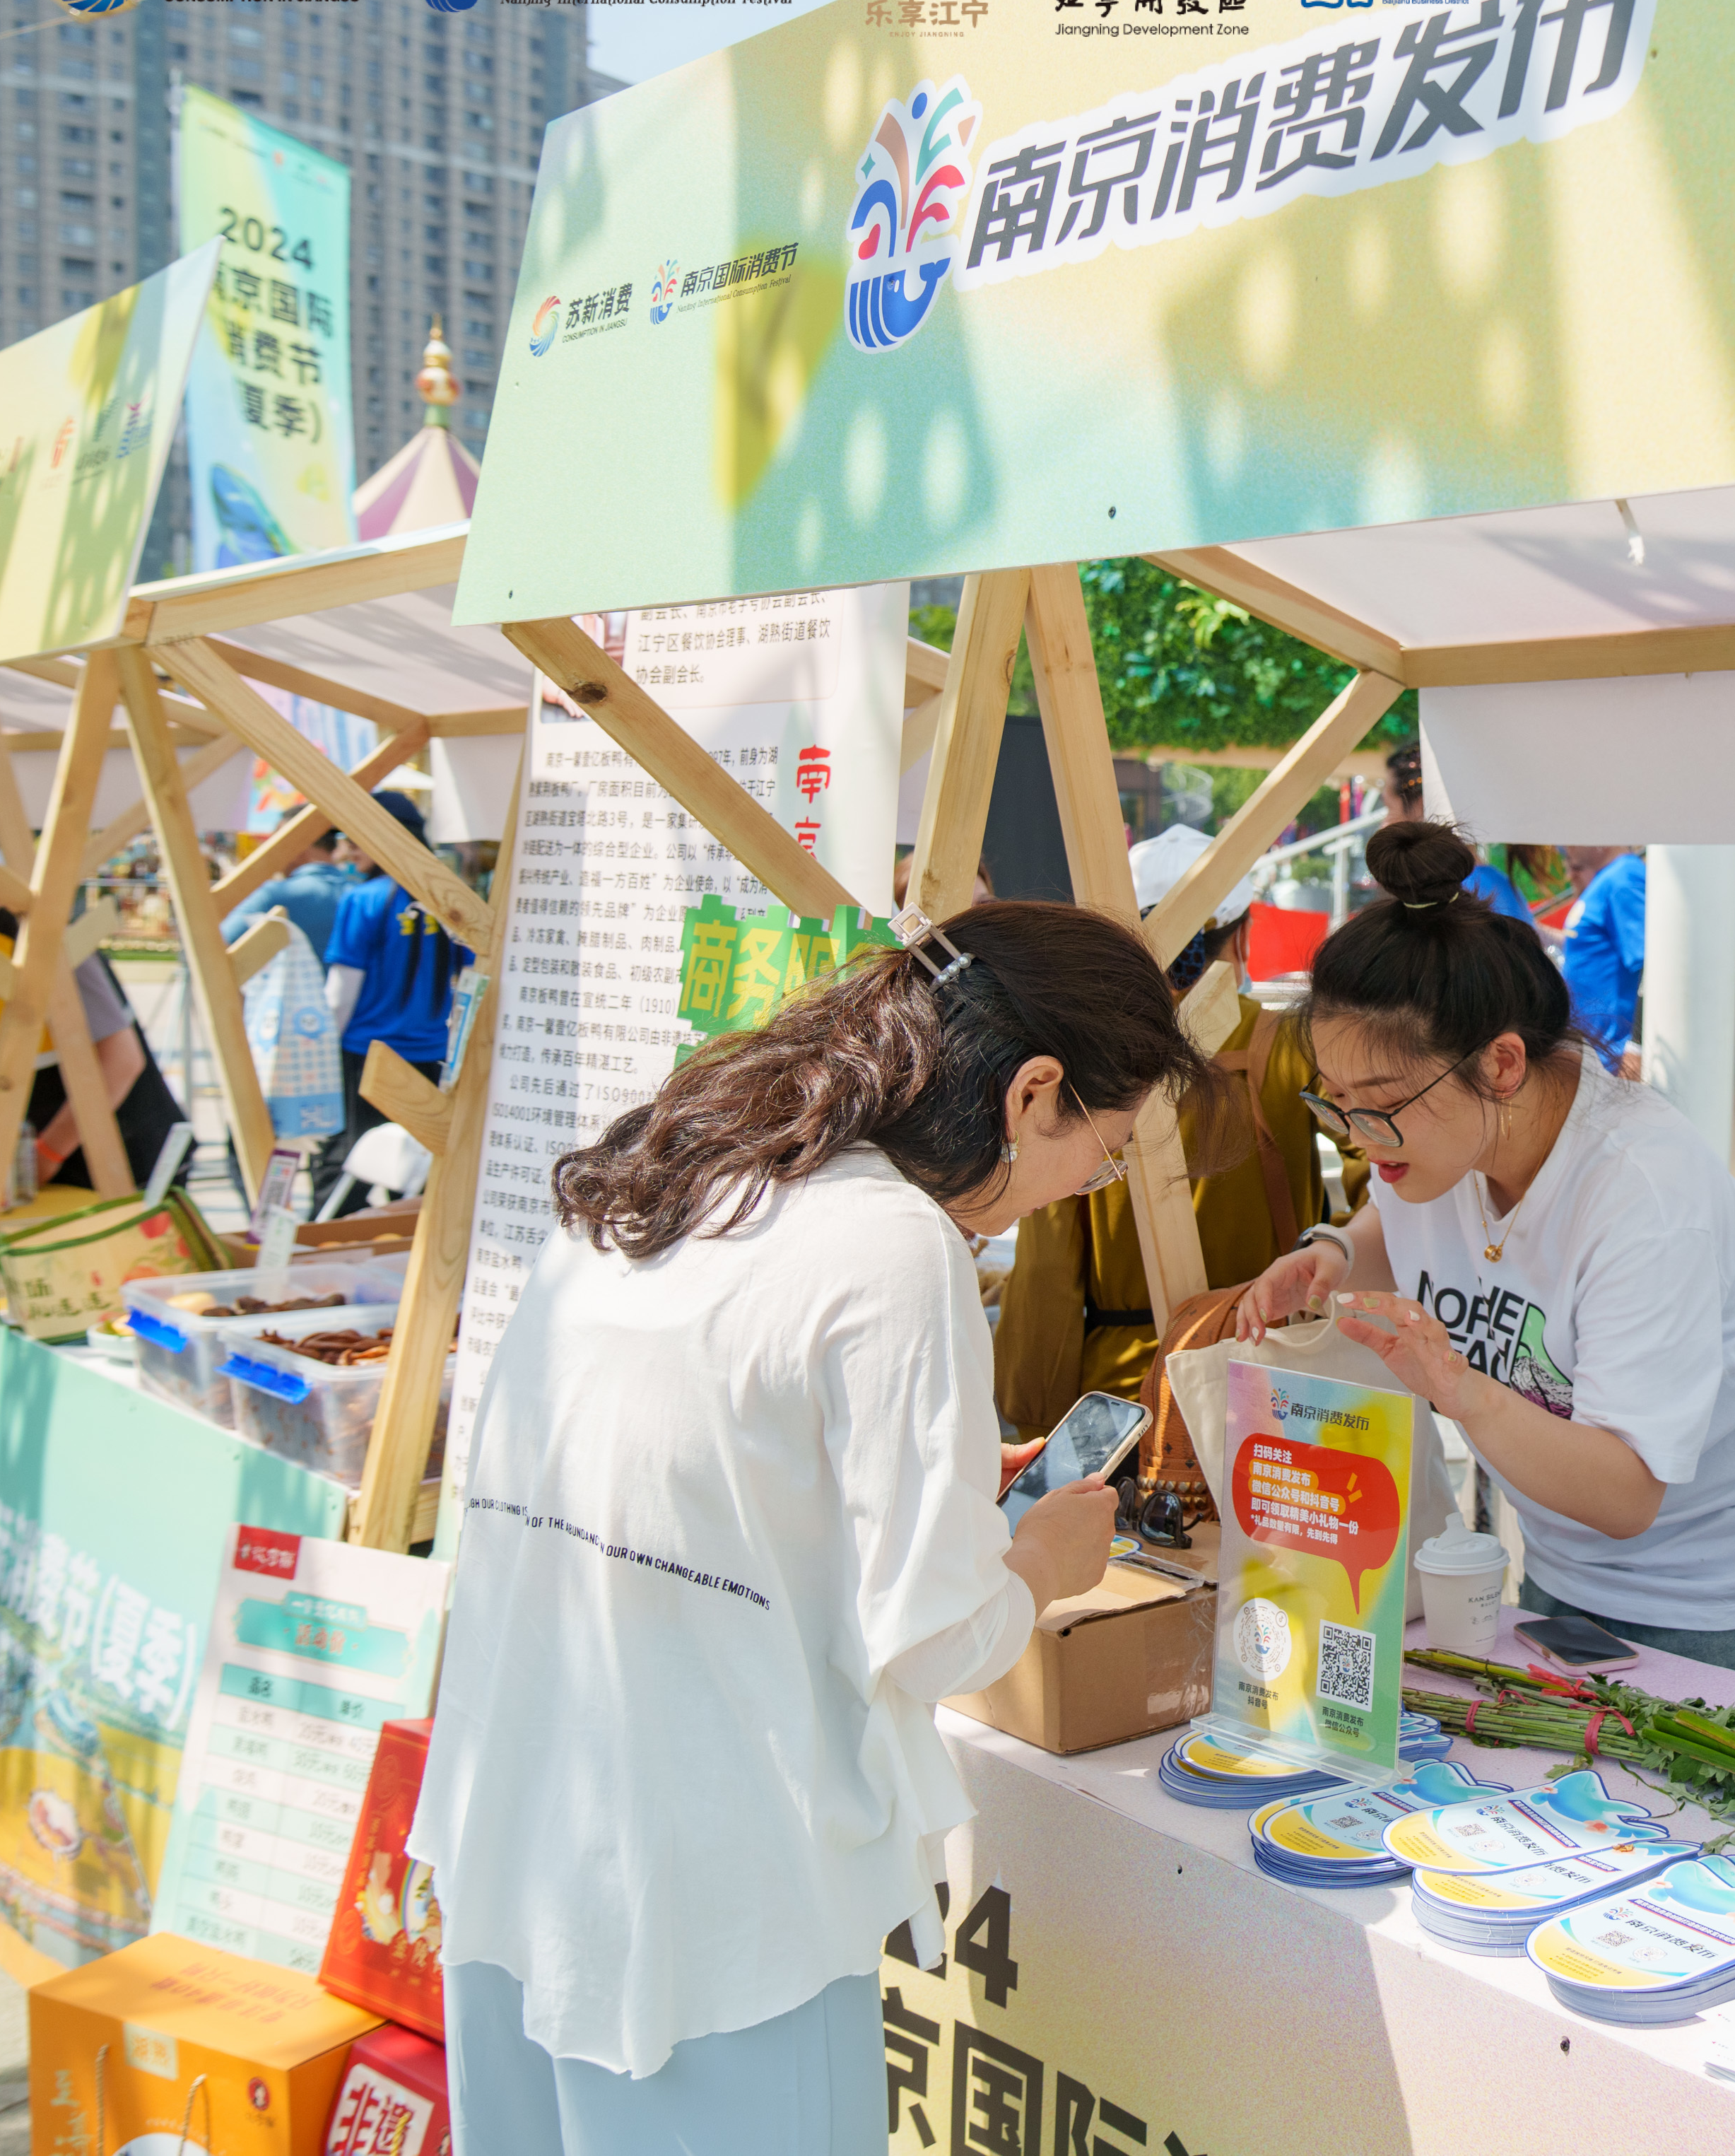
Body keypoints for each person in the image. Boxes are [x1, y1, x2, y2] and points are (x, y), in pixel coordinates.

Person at [413, 900, 1208, 2152]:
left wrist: (928, 1491)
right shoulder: (894, 1241)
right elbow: (940, 1636)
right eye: (1101, 1152)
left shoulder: (687, 1157)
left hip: (518, 1831)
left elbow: (694, 1482)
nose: (1079, 1190)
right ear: (1034, 1090)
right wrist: (1044, 1562)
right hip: (720, 1895)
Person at [1238, 821, 1735, 1700]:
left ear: (1501, 1065)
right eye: (1335, 1102)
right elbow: (1396, 1218)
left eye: (1380, 1105)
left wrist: (1457, 1387)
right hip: (1566, 1576)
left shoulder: (1640, 1190)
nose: (1356, 1136)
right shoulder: (1438, 1147)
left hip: (1731, 1595)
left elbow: (1624, 1493)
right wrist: (1333, 1254)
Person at [999, 828, 1363, 1489]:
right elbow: (1381, 1179)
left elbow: (1050, 1261)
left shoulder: (1080, 1065)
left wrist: (1036, 1414)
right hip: (1269, 1382)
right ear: (1243, 936)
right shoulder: (1292, 1045)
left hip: (1117, 1403)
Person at [0, 906, 190, 1196]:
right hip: (38, 1177)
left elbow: (121, 1061)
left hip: (129, 1163)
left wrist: (46, 1155)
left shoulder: (44, 935)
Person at [318, 791, 474, 1195]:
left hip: (369, 1053)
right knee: (414, 1169)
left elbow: (341, 991)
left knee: (354, 1164)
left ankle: (344, 1239)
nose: (346, 852)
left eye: (353, 840)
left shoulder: (363, 899)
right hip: (433, 1053)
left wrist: (323, 1047)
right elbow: (473, 978)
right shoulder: (451, 896)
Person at [1381, 743, 1534, 924]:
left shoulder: (1451, 893)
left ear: (1422, 806)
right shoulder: (1490, 884)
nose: (1384, 825)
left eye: (1389, 809)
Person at [1558, 847, 1645, 1070]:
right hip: (1596, 1056)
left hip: (1615, 1057)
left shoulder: (1624, 878)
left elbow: (1651, 966)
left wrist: (1636, 1047)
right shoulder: (1611, 879)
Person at [219, 829, 358, 958]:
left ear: (296, 844)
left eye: (278, 843)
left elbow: (221, 942)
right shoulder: (360, 895)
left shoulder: (275, 894)